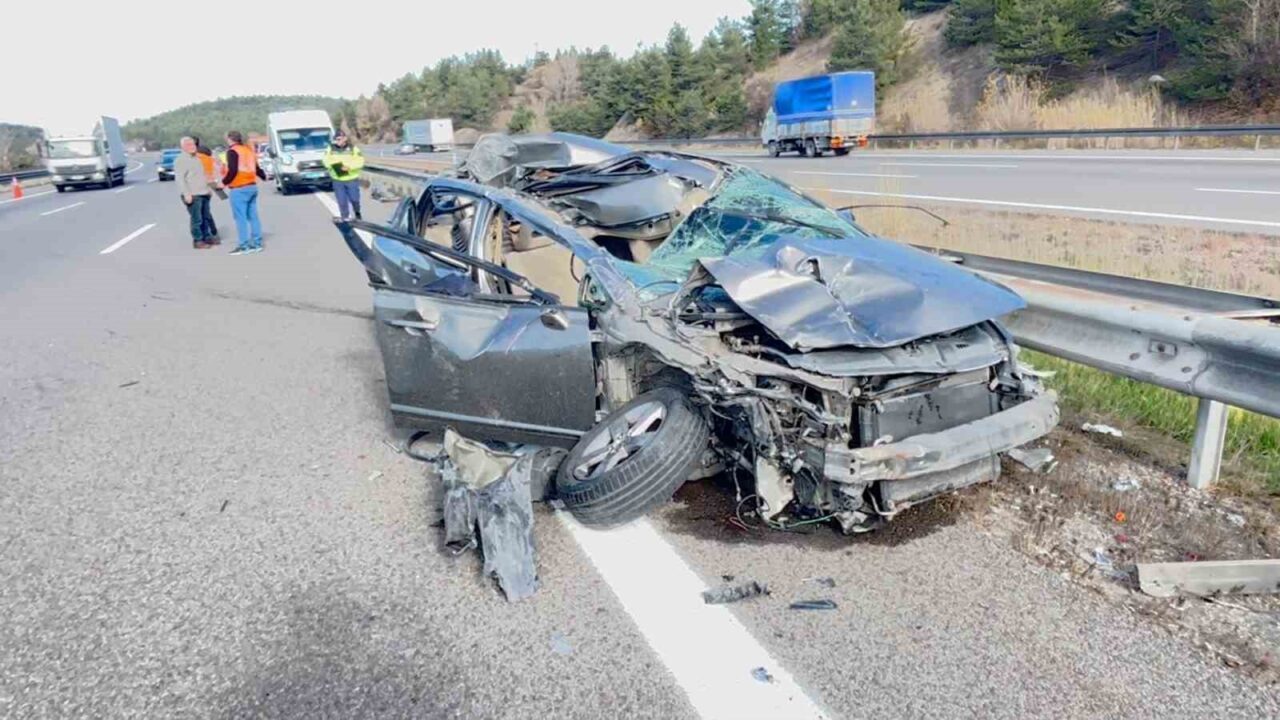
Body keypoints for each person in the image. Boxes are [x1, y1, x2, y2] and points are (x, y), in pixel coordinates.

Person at [220, 131, 267, 255]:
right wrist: (264, 176)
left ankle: (244, 245)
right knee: (253, 217)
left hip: (239, 188)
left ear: (230, 139)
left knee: (240, 218)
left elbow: (233, 170)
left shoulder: (232, 152)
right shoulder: (248, 150)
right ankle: (257, 243)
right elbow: (257, 168)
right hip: (252, 186)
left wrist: (223, 183)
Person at [174, 136, 214, 249]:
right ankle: (198, 240)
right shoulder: (181, 160)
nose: (192, 147)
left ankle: (207, 237)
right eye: (189, 145)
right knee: (197, 219)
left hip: (204, 192)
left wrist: (209, 189)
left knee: (206, 217)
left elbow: (203, 175)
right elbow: (180, 179)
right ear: (183, 147)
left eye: (193, 144)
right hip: (193, 194)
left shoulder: (197, 158)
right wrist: (187, 194)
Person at [323, 130, 365, 220]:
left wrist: (349, 167)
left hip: (351, 179)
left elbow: (360, 162)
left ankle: (357, 211)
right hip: (337, 180)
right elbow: (326, 160)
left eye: (339, 139)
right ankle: (345, 217)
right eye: (336, 140)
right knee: (342, 201)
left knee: (355, 199)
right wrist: (335, 166)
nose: (338, 141)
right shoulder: (331, 148)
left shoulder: (353, 148)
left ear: (345, 138)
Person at [190, 136, 220, 244]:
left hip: (197, 189)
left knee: (198, 216)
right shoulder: (204, 154)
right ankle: (211, 234)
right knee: (205, 214)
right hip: (205, 188)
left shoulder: (197, 157)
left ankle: (202, 238)